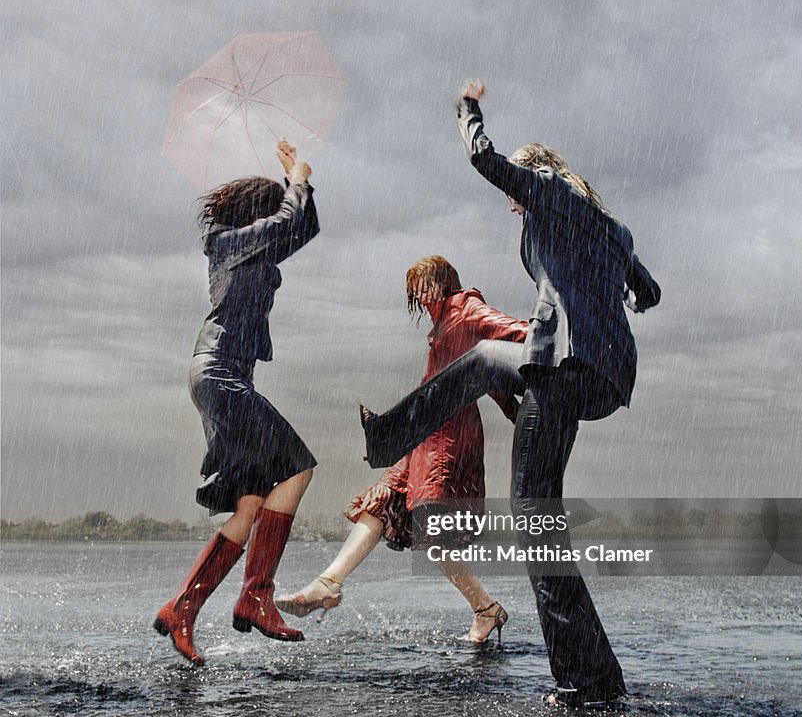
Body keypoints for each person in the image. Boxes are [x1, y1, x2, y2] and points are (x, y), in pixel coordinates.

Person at [361, 82, 660, 707]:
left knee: (535, 524)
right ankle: (595, 677)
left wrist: (467, 108)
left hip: (561, 364)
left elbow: (483, 159)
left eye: (519, 193)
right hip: (603, 375)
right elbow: (649, 290)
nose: (514, 206)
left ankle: (585, 681)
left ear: (536, 174)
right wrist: (617, 284)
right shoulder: (614, 229)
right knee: (488, 372)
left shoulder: (547, 192)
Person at [276, 255, 528, 643]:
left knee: (432, 527)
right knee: (380, 503)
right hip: (424, 435)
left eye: (425, 284)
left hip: (451, 436)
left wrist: (545, 349)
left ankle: (486, 609)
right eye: (415, 289)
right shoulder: (443, 322)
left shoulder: (466, 307)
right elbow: (487, 374)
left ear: (444, 281)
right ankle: (329, 583)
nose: (420, 294)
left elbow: (512, 333)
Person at [154, 140, 318, 666]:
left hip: (224, 376)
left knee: (250, 503)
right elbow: (288, 222)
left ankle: (183, 608)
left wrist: (299, 182)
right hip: (221, 374)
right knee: (297, 470)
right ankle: (255, 596)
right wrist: (297, 179)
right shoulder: (226, 242)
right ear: (256, 212)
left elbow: (302, 227)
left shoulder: (253, 245)